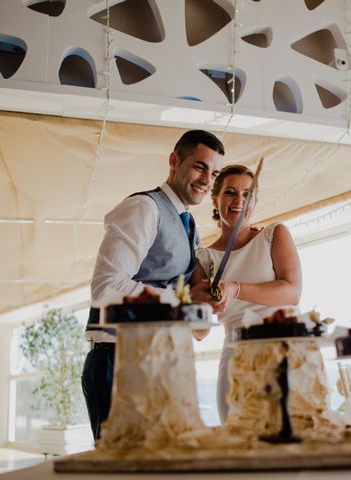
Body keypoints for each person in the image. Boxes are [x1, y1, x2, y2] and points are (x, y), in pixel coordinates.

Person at [81, 129, 225, 439]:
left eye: (214, 173)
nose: (207, 179)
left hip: (161, 360)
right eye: (200, 166)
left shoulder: (190, 227)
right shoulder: (144, 208)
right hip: (119, 361)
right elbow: (106, 287)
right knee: (123, 469)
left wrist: (204, 302)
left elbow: (183, 299)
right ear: (175, 161)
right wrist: (181, 299)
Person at [190, 164, 302, 422]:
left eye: (247, 194)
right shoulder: (203, 258)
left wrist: (235, 288)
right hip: (236, 358)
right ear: (216, 200)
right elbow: (200, 332)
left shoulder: (274, 235)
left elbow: (291, 292)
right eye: (230, 192)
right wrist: (197, 305)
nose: (239, 200)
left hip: (285, 353)